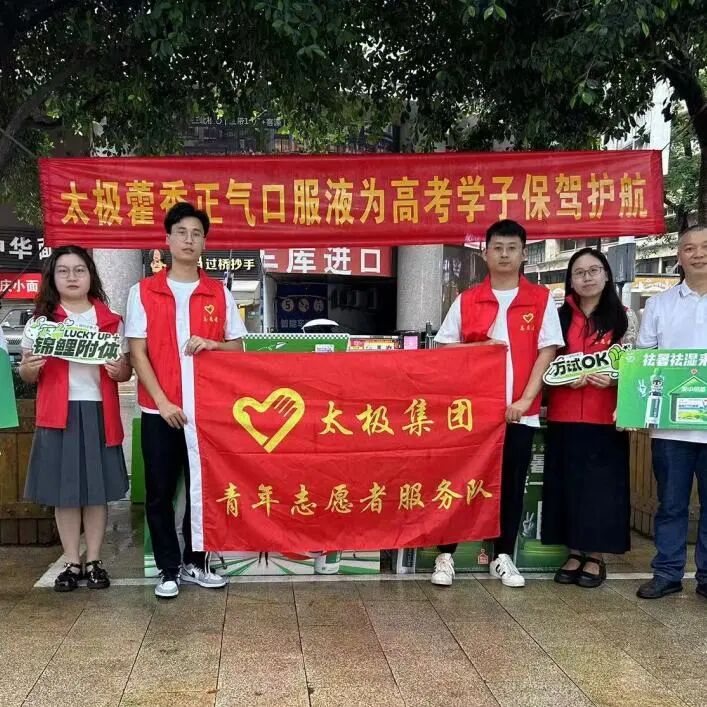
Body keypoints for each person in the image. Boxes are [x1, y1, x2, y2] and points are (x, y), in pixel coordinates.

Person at [432, 219, 563, 587]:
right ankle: (445, 554)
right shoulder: (468, 299)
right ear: (485, 253)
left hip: (519, 413)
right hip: (471, 414)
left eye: (512, 248)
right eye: (498, 248)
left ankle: (503, 556)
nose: (504, 255)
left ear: (524, 254)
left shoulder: (539, 300)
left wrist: (525, 400)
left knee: (510, 484)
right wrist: (479, 348)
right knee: (461, 482)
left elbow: (547, 352)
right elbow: (444, 349)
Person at [126, 201, 248, 599]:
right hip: (159, 410)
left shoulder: (218, 293)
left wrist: (213, 344)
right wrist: (162, 402)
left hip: (205, 413)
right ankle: (167, 569)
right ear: (168, 239)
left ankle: (196, 562)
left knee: (202, 490)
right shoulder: (143, 291)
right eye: (181, 232)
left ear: (204, 243)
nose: (189, 240)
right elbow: (137, 353)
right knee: (160, 492)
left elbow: (238, 348)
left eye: (197, 234)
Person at [19, 246, 131, 592]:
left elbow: (125, 371)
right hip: (58, 414)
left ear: (90, 276)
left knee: (96, 492)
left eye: (79, 270)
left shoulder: (111, 320)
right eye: (63, 270)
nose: (72, 277)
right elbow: (26, 372)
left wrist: (119, 370)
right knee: (64, 492)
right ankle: (71, 561)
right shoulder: (41, 323)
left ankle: (94, 560)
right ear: (52, 277)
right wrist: (30, 368)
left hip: (98, 410)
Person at [542, 248, 638, 588]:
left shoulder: (623, 317)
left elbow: (636, 362)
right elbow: (544, 362)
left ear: (606, 274)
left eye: (593, 270)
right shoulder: (558, 317)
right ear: (570, 279)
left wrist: (615, 379)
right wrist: (559, 378)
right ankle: (573, 551)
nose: (587, 278)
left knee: (601, 489)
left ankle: (595, 555)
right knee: (566, 484)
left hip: (605, 417)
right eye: (579, 272)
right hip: (564, 414)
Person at [635, 224, 707, 600]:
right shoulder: (659, 305)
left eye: (705, 246)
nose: (698, 254)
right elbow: (645, 359)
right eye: (689, 248)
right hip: (670, 427)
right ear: (678, 256)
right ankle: (667, 572)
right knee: (671, 504)